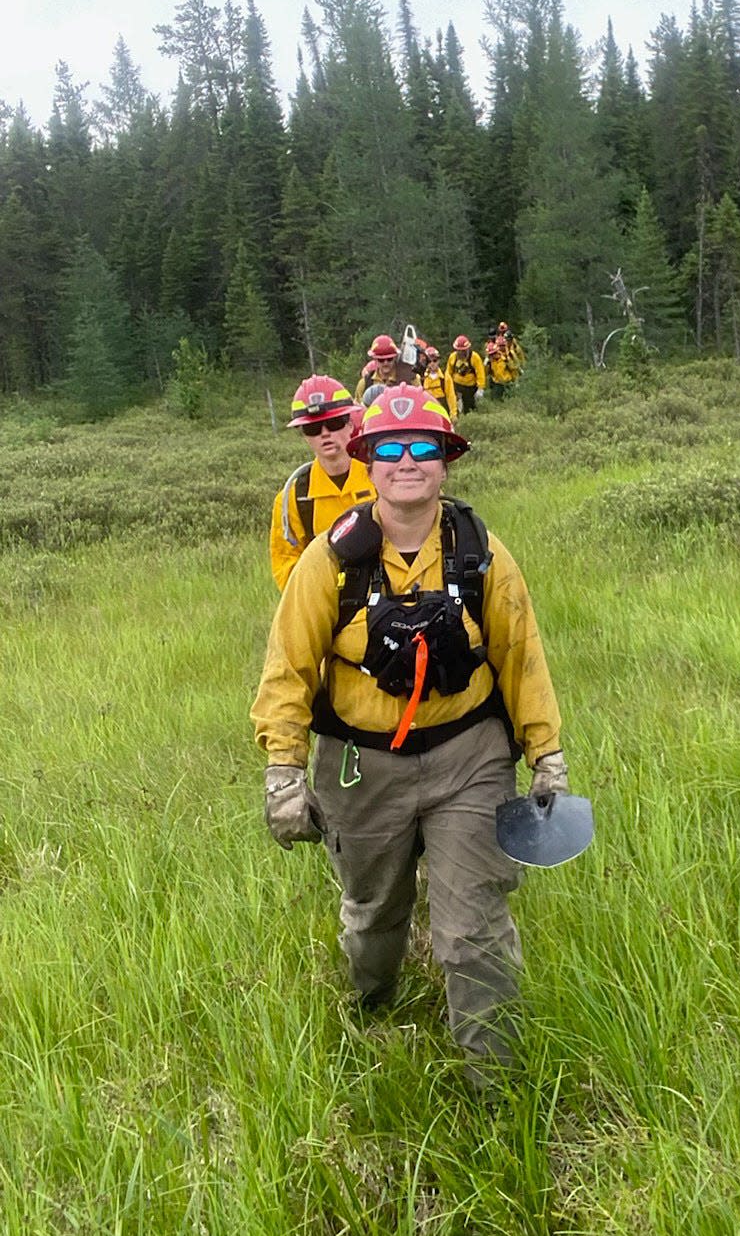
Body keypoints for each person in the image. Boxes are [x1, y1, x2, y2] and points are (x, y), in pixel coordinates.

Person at [252, 384, 570, 1086]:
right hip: (360, 770)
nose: (406, 460)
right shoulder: (328, 563)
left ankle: (497, 1085)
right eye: (388, 448)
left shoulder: (481, 552)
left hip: (470, 760)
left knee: (472, 930)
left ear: (445, 461)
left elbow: (521, 658)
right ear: (366, 459)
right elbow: (287, 670)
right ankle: (370, 1014)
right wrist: (283, 772)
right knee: (373, 915)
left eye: (423, 447)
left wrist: (547, 759)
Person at [269, 375, 376, 592]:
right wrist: (314, 600)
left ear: (350, 424)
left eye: (334, 423)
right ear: (305, 436)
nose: (325, 434)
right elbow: (285, 561)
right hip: (327, 610)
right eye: (313, 428)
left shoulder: (380, 477)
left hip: (385, 604)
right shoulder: (294, 497)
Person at [355, 335, 421, 402]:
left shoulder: (411, 379)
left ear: (395, 357)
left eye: (389, 359)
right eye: (381, 360)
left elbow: (421, 403)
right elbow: (358, 408)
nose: (385, 363)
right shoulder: (364, 383)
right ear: (375, 359)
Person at [445, 335, 486, 413]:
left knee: (469, 409)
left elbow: (480, 374)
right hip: (456, 386)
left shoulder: (475, 358)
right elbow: (448, 373)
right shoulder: (452, 357)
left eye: (463, 351)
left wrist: (480, 388)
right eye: (459, 350)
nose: (461, 353)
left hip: (470, 389)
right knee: (455, 408)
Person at [422, 345, 458, 421]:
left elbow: (451, 396)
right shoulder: (422, 378)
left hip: (443, 412)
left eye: (435, 360)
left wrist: (453, 414)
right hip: (427, 413)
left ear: (438, 361)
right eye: (429, 361)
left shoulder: (445, 377)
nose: (432, 363)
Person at [484, 333, 519, 400]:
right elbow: (486, 373)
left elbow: (513, 369)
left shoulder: (505, 359)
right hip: (497, 384)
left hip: (507, 383)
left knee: (509, 401)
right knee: (495, 402)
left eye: (492, 354)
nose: (491, 356)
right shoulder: (490, 362)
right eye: (490, 355)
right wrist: (486, 365)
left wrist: (516, 382)